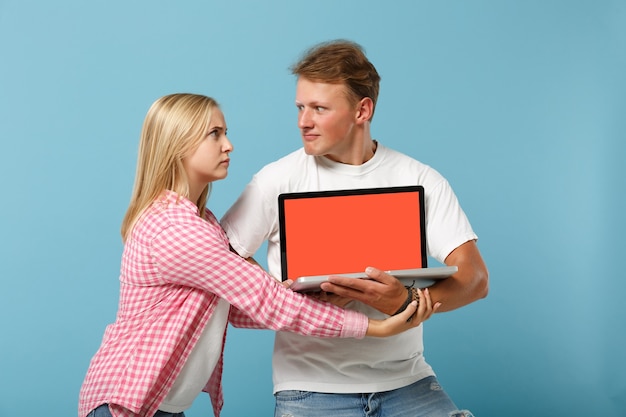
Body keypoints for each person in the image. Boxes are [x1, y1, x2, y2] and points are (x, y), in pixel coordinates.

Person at [77, 93, 439, 417]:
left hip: (156, 405)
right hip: (128, 405)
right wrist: (375, 327)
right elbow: (264, 299)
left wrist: (314, 297)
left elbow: (232, 307)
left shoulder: (200, 221)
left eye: (225, 132)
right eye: (214, 134)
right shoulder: (177, 230)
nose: (229, 145)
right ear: (178, 144)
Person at [220, 40, 489, 417]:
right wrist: (287, 299)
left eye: (319, 108)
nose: (303, 121)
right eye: (300, 107)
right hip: (309, 388)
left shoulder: (419, 178)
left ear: (362, 110)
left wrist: (404, 301)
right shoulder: (276, 180)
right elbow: (222, 262)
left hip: (407, 381)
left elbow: (475, 279)